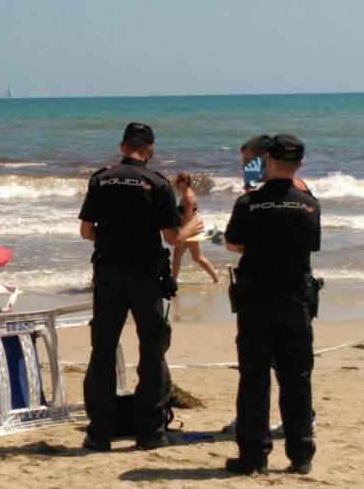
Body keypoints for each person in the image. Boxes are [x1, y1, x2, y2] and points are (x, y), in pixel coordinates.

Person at [78, 122, 203, 452]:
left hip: (108, 274)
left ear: (122, 147)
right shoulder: (158, 183)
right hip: (145, 277)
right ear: (150, 150)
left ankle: (100, 433)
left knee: (103, 351)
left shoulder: (101, 179)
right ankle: (150, 432)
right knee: (152, 350)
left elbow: (86, 232)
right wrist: (190, 227)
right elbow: (172, 237)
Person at [224, 134, 320, 476]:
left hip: (257, 299)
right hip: (295, 299)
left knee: (254, 379)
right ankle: (301, 454)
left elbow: (232, 243)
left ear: (268, 160)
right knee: (297, 379)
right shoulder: (309, 204)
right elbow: (311, 245)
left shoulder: (248, 203)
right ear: (300, 164)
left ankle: (254, 456)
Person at [172, 172, 219, 283]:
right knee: (196, 257)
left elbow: (188, 217)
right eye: (176, 181)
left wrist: (181, 232)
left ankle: (173, 281)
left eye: (179, 181)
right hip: (191, 230)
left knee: (181, 255)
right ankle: (215, 278)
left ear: (185, 182)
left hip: (190, 231)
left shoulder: (188, 196)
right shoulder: (187, 194)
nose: (177, 184)